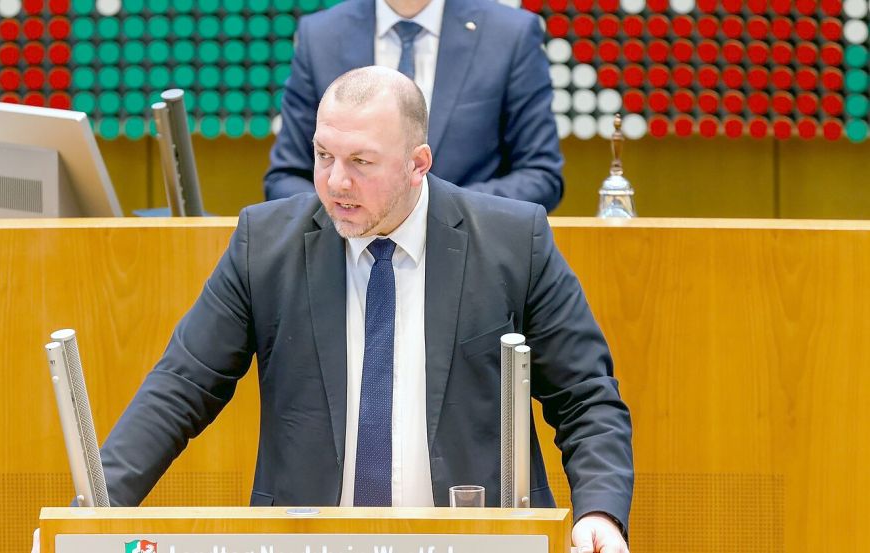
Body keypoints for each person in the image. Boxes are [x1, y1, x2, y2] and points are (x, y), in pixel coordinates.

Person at [98, 67, 632, 552]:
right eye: (323, 155)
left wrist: (600, 513)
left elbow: (585, 398)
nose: (336, 183)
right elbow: (181, 387)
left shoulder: (513, 241)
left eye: (361, 162)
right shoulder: (265, 244)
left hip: (477, 539)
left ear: (417, 164)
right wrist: (92, 517)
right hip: (310, 542)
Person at [264, 0, 565, 211]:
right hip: (345, 259)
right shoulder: (321, 35)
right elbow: (284, 179)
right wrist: (352, 209)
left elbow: (540, 176)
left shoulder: (510, 34)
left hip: (471, 259)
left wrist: (433, 214)